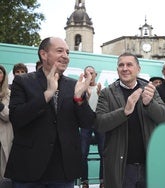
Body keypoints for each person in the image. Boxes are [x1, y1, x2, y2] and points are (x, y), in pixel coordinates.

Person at [4, 37, 95, 188]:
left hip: (63, 171)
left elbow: (88, 122)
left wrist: (79, 98)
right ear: (44, 54)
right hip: (28, 168)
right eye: (59, 51)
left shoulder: (75, 85)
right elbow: (17, 118)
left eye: (67, 52)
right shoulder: (23, 82)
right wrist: (47, 94)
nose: (65, 56)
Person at [95, 52, 165, 188]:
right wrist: (124, 111)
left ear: (138, 69)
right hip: (121, 167)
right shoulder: (107, 93)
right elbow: (99, 124)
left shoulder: (149, 89)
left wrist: (149, 104)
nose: (125, 68)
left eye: (129, 64)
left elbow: (164, 117)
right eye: (121, 65)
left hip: (149, 165)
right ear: (117, 69)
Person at [80, 66, 104, 188]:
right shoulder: (81, 89)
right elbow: (78, 107)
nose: (90, 75)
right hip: (85, 122)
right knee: (83, 153)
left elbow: (104, 107)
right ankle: (85, 181)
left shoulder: (101, 88)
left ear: (95, 74)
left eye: (92, 73)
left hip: (99, 121)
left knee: (103, 152)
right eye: (87, 73)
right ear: (84, 76)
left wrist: (100, 95)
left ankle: (102, 181)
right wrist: (86, 97)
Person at [0, 65, 13, 181]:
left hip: (4, 138)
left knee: (3, 176)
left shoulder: (10, 94)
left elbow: (9, 116)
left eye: (0, 73)